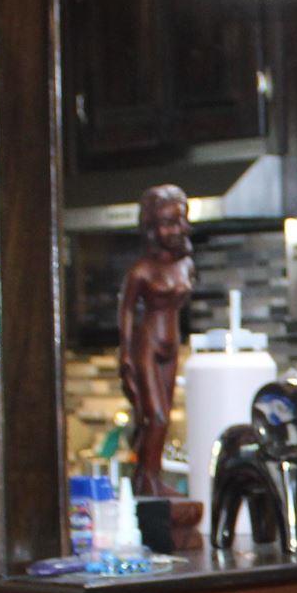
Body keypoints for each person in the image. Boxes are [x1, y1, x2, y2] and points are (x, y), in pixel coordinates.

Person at [116, 185, 195, 499]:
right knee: (156, 418)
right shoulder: (141, 270)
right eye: (167, 222)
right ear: (151, 228)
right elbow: (125, 312)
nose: (176, 230)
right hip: (147, 344)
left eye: (179, 221)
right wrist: (124, 355)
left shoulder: (185, 264)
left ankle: (150, 479)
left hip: (172, 345)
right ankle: (147, 481)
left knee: (165, 415)